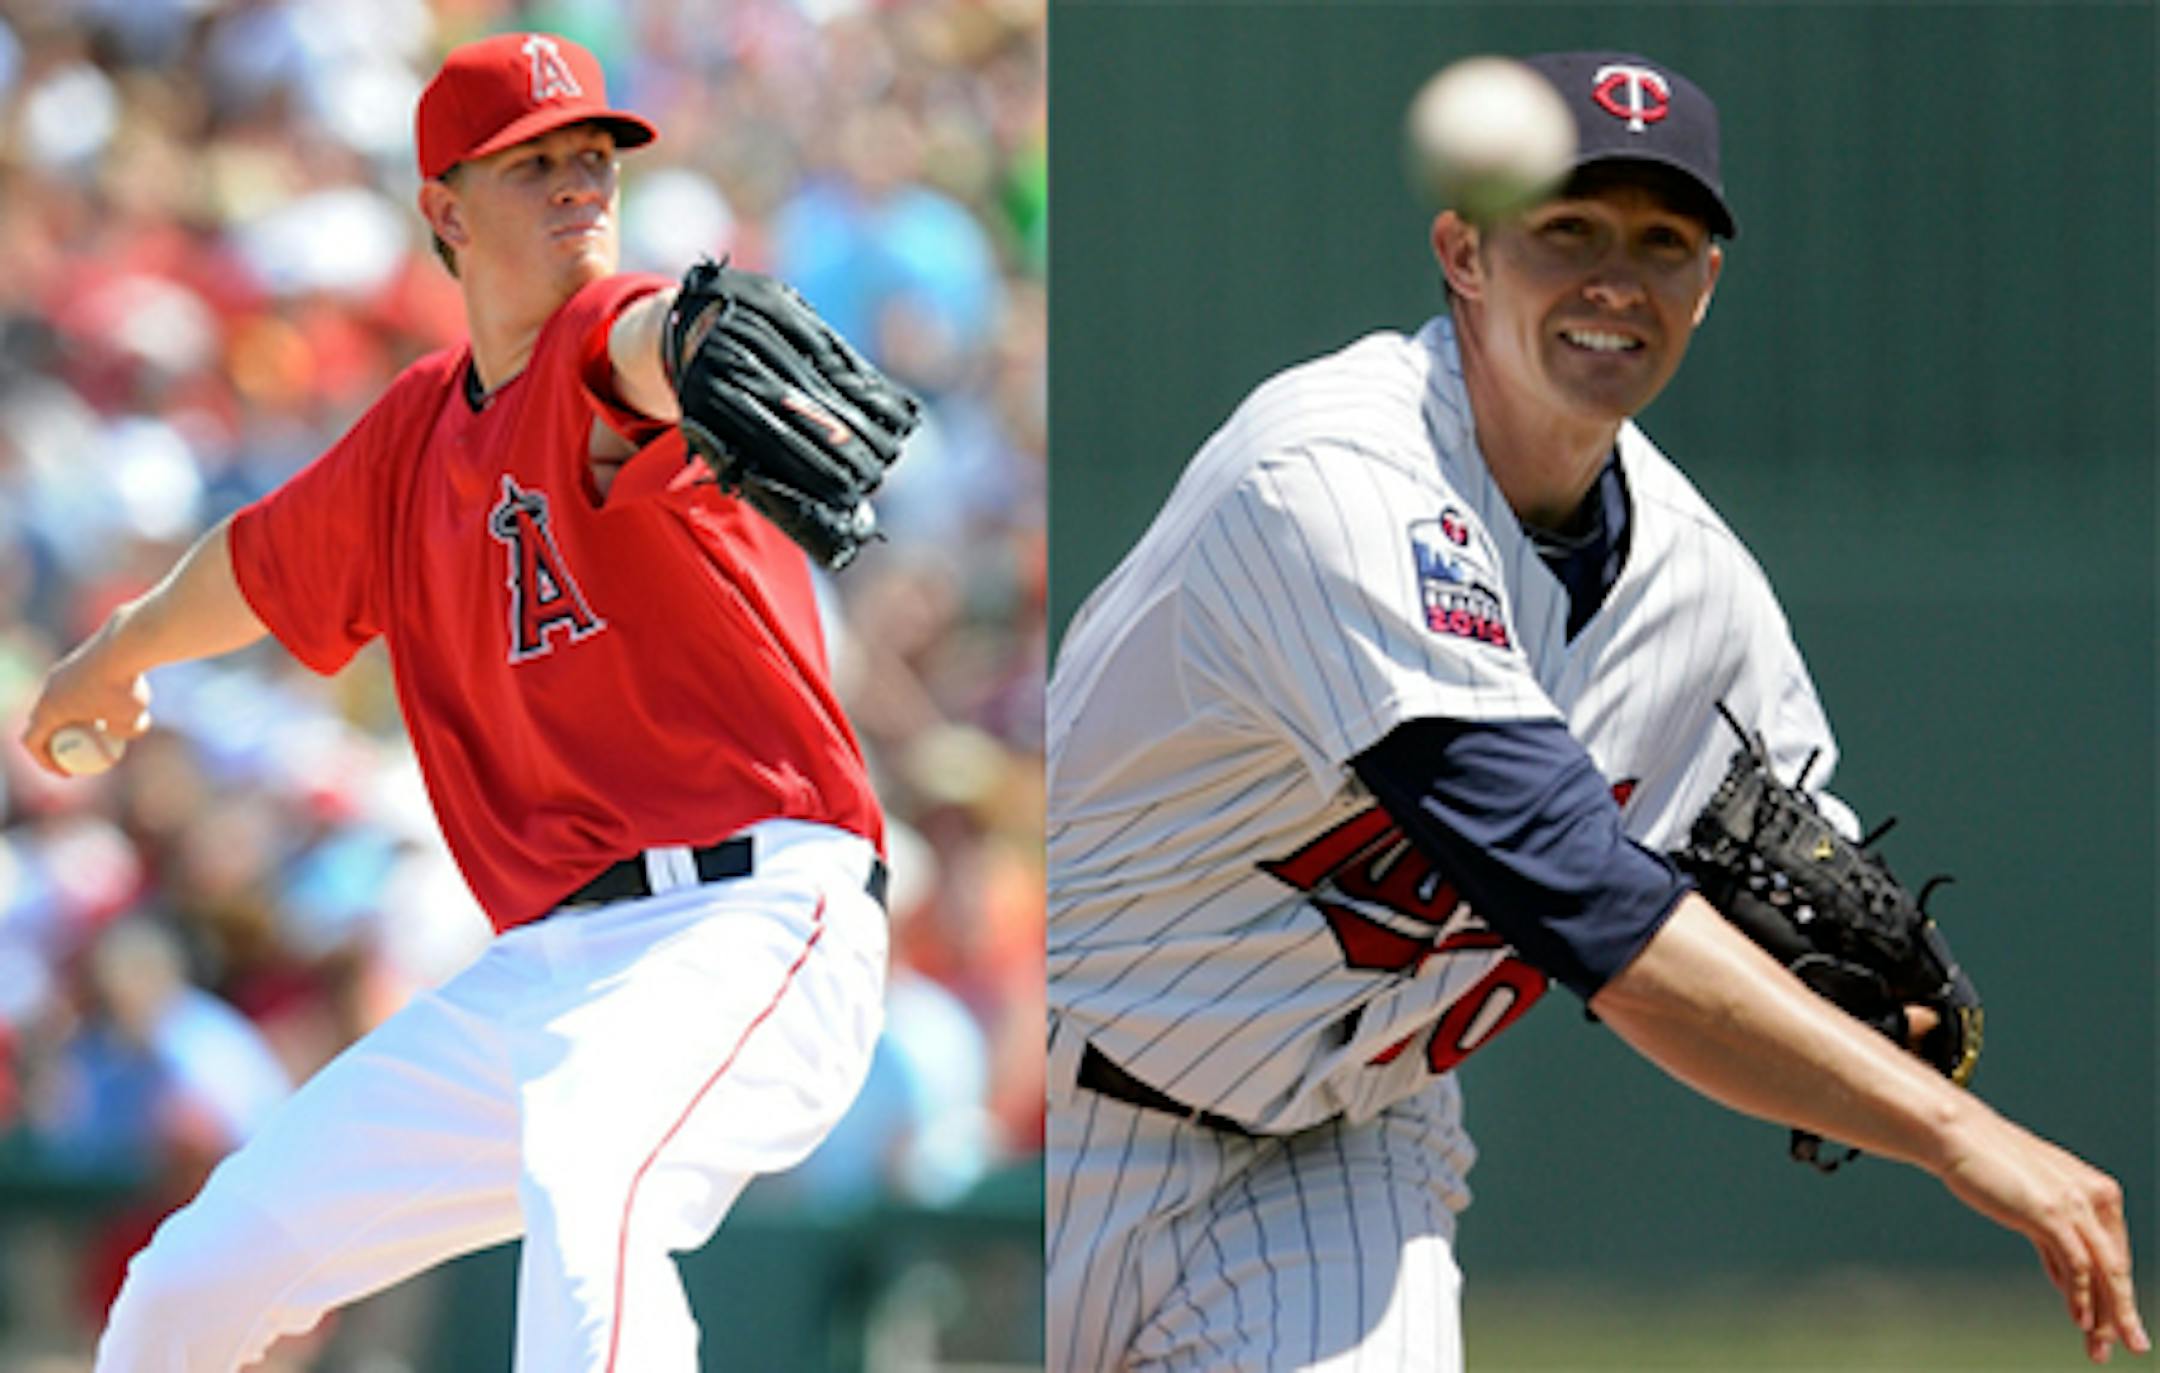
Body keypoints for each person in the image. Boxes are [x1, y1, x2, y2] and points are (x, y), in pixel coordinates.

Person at [1045, 49, 2145, 1372]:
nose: (1618, 279)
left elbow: (1794, 901)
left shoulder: (1705, 597)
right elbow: (1587, 897)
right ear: (1464, 251)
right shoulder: (1333, 473)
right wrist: (1955, 1129)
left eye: (1664, 241)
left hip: (1341, 1157)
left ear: (1708, 285)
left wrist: (1857, 1036)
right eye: (1566, 229)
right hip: (1051, 1104)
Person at [22, 32, 899, 1371]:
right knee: (193, 1280)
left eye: (593, 157)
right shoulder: (416, 432)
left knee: (597, 1177)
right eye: (535, 162)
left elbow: (655, 343)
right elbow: (258, 564)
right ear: (443, 209)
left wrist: (699, 332)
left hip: (756, 918)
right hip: (537, 973)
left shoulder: (608, 339)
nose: (578, 187)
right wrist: (119, 653)